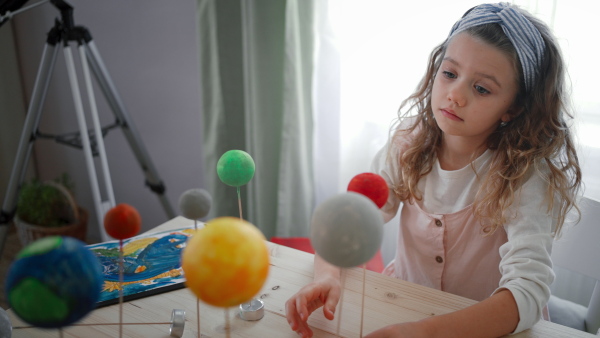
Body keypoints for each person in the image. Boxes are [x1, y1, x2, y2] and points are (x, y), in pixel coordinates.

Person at [285, 2, 582, 337]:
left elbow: (526, 292)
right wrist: (327, 276)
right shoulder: (407, 145)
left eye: (481, 88)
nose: (454, 95)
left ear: (512, 108)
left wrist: (424, 333)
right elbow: (347, 224)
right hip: (402, 307)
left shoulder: (525, 175)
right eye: (450, 74)